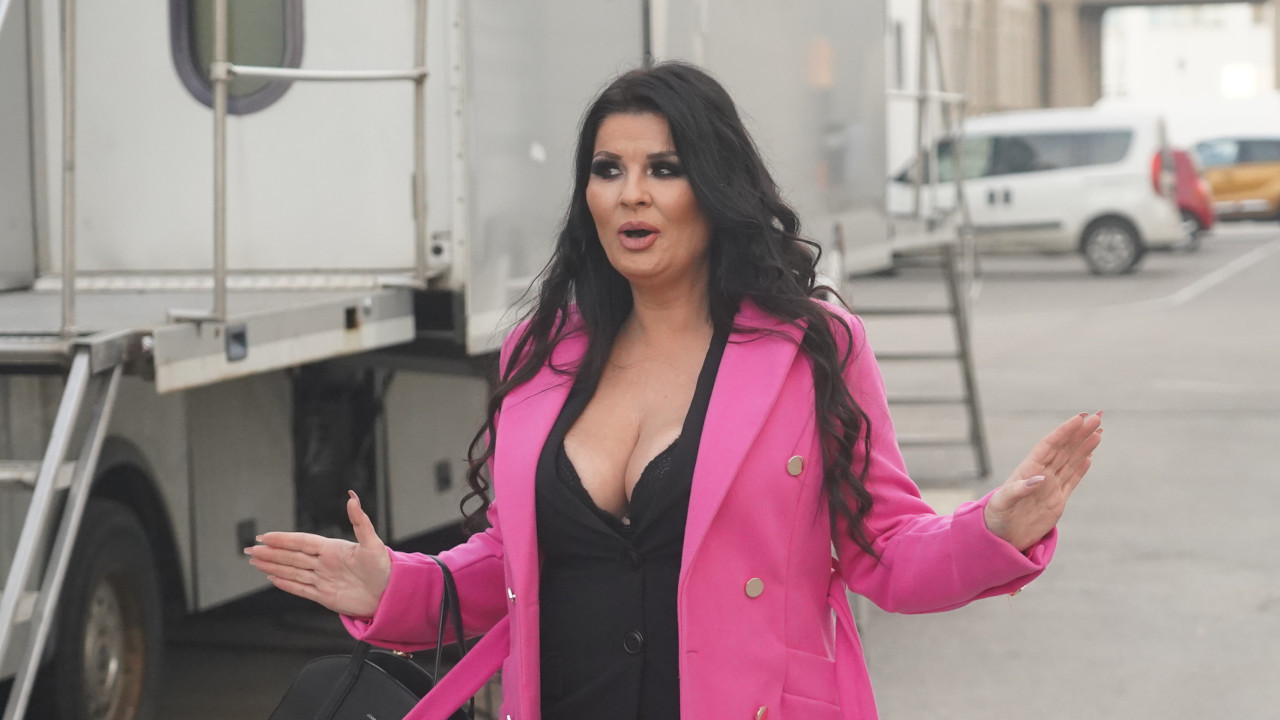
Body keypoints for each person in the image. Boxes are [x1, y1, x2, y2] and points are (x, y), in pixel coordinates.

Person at [245, 62, 1103, 720]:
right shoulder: (539, 354)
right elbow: (519, 564)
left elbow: (884, 548)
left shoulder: (811, 348)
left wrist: (992, 531)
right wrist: (392, 586)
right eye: (608, 169)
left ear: (715, 187)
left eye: (663, 168)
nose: (633, 195)